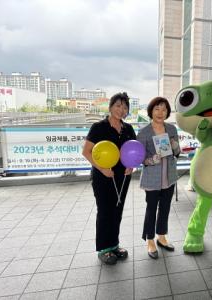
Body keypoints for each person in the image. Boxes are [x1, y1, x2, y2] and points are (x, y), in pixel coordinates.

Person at [82, 92, 136, 265]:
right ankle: (103, 249)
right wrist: (103, 169)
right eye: (118, 106)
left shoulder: (128, 129)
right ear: (111, 106)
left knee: (117, 210)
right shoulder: (98, 127)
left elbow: (133, 152)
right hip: (103, 176)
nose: (121, 110)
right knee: (105, 210)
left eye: (125, 107)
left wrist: (131, 166)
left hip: (123, 176)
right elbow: (86, 152)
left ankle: (114, 244)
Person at [137, 97, 180, 259]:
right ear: (151, 111)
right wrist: (152, 159)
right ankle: (150, 240)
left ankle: (161, 236)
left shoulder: (171, 129)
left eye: (164, 109)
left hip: (169, 176)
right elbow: (140, 159)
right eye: (157, 109)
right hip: (152, 178)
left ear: (167, 112)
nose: (160, 112)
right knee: (151, 209)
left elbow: (176, 153)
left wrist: (175, 146)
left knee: (165, 207)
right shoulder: (144, 133)